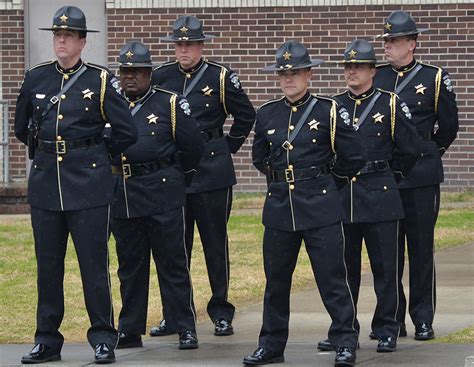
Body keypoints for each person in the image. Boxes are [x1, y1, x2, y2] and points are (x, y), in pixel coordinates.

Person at [14, 6, 137, 365]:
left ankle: (102, 337)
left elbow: (126, 132)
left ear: (83, 42)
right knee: (48, 267)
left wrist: (96, 157)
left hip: (89, 186)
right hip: (47, 186)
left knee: (93, 266)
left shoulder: (100, 81)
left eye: (68, 35)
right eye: (57, 35)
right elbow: (22, 128)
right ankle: (47, 341)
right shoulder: (36, 78)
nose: (61, 41)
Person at [242, 40, 367, 367]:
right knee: (276, 283)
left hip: (320, 206)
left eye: (295, 72)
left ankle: (344, 341)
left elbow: (353, 156)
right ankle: (271, 345)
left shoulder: (328, 110)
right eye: (283, 73)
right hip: (281, 209)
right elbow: (260, 158)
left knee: (332, 280)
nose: (288, 79)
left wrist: (324, 182)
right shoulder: (268, 112)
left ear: (309, 74)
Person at [149, 15, 256, 337]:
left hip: (211, 169)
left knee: (214, 244)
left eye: (189, 44)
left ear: (200, 45)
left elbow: (246, 115)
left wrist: (226, 148)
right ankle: (175, 313)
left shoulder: (220, 77)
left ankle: (221, 311)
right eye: (179, 45)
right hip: (174, 170)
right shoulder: (160, 76)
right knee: (173, 247)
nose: (183, 50)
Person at [316, 39, 420, 354]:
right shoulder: (333, 106)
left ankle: (386, 327)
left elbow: (410, 149)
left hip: (380, 194)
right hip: (344, 195)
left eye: (358, 67)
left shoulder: (389, 103)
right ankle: (344, 330)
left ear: (373, 71)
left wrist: (390, 176)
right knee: (342, 270)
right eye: (348, 67)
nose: (352, 72)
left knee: (386, 268)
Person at [110, 41, 204, 351]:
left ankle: (184, 327)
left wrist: (178, 178)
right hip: (125, 194)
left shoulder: (170, 103)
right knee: (130, 267)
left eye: (137, 71)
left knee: (172, 264)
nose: (130, 77)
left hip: (163, 191)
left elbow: (193, 147)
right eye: (125, 71)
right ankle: (130, 329)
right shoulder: (110, 103)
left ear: (150, 73)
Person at [374, 10, 459, 340]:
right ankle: (392, 319)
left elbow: (449, 126)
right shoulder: (378, 78)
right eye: (386, 41)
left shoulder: (434, 77)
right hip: (386, 178)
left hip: (421, 177)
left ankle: (423, 318)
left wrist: (426, 152)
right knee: (387, 252)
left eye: (393, 41)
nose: (387, 47)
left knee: (421, 249)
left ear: (411, 44)